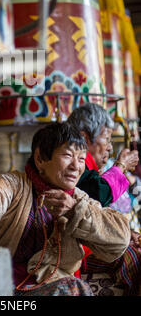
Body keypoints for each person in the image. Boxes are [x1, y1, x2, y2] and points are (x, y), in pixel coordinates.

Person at [0, 119, 130, 296]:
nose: (76, 166)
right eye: (67, 156)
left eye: (81, 159)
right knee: (73, 288)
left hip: (48, 283)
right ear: (40, 158)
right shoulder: (14, 185)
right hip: (0, 284)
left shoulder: (75, 198)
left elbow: (119, 241)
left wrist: (76, 210)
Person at [68, 103, 141, 295]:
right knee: (132, 257)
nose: (109, 147)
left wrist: (127, 231)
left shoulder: (88, 166)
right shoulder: (74, 165)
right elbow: (98, 195)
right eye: (106, 138)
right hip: (76, 248)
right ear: (84, 138)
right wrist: (121, 166)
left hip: (89, 239)